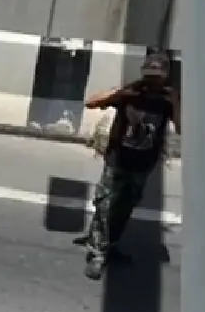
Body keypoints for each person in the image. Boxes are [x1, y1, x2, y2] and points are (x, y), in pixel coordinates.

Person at [77, 50, 180, 280]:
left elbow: (182, 127)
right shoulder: (129, 94)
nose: (152, 82)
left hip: (142, 164)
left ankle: (110, 245)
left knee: (124, 207)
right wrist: (121, 91)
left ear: (165, 77)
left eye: (157, 77)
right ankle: (97, 254)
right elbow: (91, 102)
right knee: (105, 206)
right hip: (117, 161)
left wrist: (174, 101)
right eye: (149, 76)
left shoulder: (166, 101)